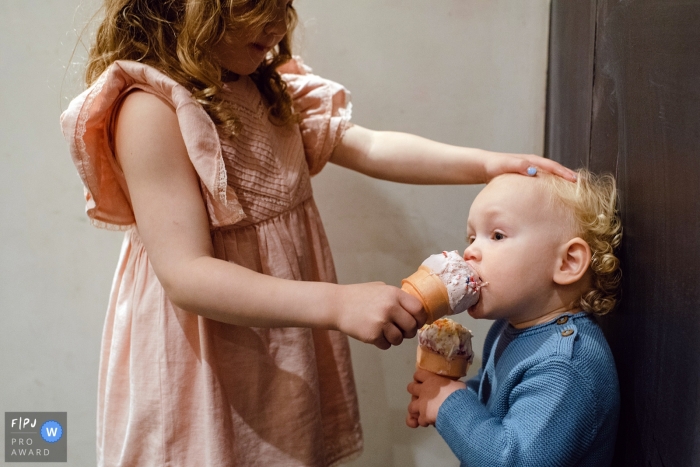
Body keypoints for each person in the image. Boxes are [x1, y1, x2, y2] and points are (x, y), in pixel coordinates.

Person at [60, 0, 576, 465]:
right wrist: (336, 304)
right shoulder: (152, 108)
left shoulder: (268, 85)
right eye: (255, 5)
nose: (278, 21)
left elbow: (370, 146)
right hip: (203, 359)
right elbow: (186, 275)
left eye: (284, 3)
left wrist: (488, 163)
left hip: (277, 345)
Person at [406, 169, 622, 466]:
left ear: (568, 262)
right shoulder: (510, 328)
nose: (469, 251)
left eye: (496, 235)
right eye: (471, 237)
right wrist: (443, 394)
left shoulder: (565, 366)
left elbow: (513, 458)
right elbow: (493, 393)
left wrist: (448, 404)